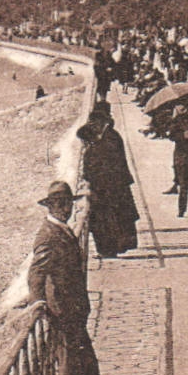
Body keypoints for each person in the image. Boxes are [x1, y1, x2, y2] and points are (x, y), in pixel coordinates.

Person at [25, 181, 127, 375]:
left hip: (74, 308)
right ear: (53, 207)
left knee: (85, 362)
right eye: (62, 204)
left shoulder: (61, 230)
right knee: (72, 363)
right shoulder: (48, 234)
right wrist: (37, 301)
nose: (67, 209)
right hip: (63, 311)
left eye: (68, 203)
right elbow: (36, 272)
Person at [77, 103, 139, 259]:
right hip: (110, 187)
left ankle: (108, 250)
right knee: (111, 220)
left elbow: (107, 164)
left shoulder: (110, 139)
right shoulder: (108, 136)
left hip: (109, 188)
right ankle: (109, 249)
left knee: (107, 220)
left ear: (101, 123)